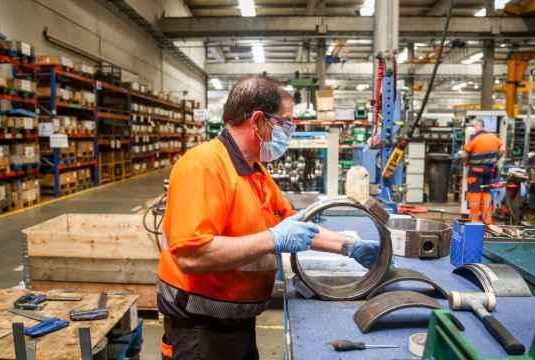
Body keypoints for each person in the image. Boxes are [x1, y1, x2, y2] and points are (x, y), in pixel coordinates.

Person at [157, 76, 381, 359]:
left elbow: (295, 226)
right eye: (286, 123)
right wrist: (273, 238)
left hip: (237, 319)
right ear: (258, 120)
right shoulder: (203, 166)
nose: (289, 131)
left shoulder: (255, 172)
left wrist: (348, 246)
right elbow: (192, 257)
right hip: (201, 329)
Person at [461, 118, 506, 224]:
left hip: (475, 171)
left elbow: (465, 154)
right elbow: (502, 149)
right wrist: (495, 160)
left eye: (473, 126)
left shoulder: (474, 139)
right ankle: (487, 220)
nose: (472, 128)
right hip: (489, 170)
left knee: (474, 195)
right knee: (486, 193)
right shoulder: (493, 137)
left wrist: (465, 162)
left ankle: (474, 220)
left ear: (478, 126)